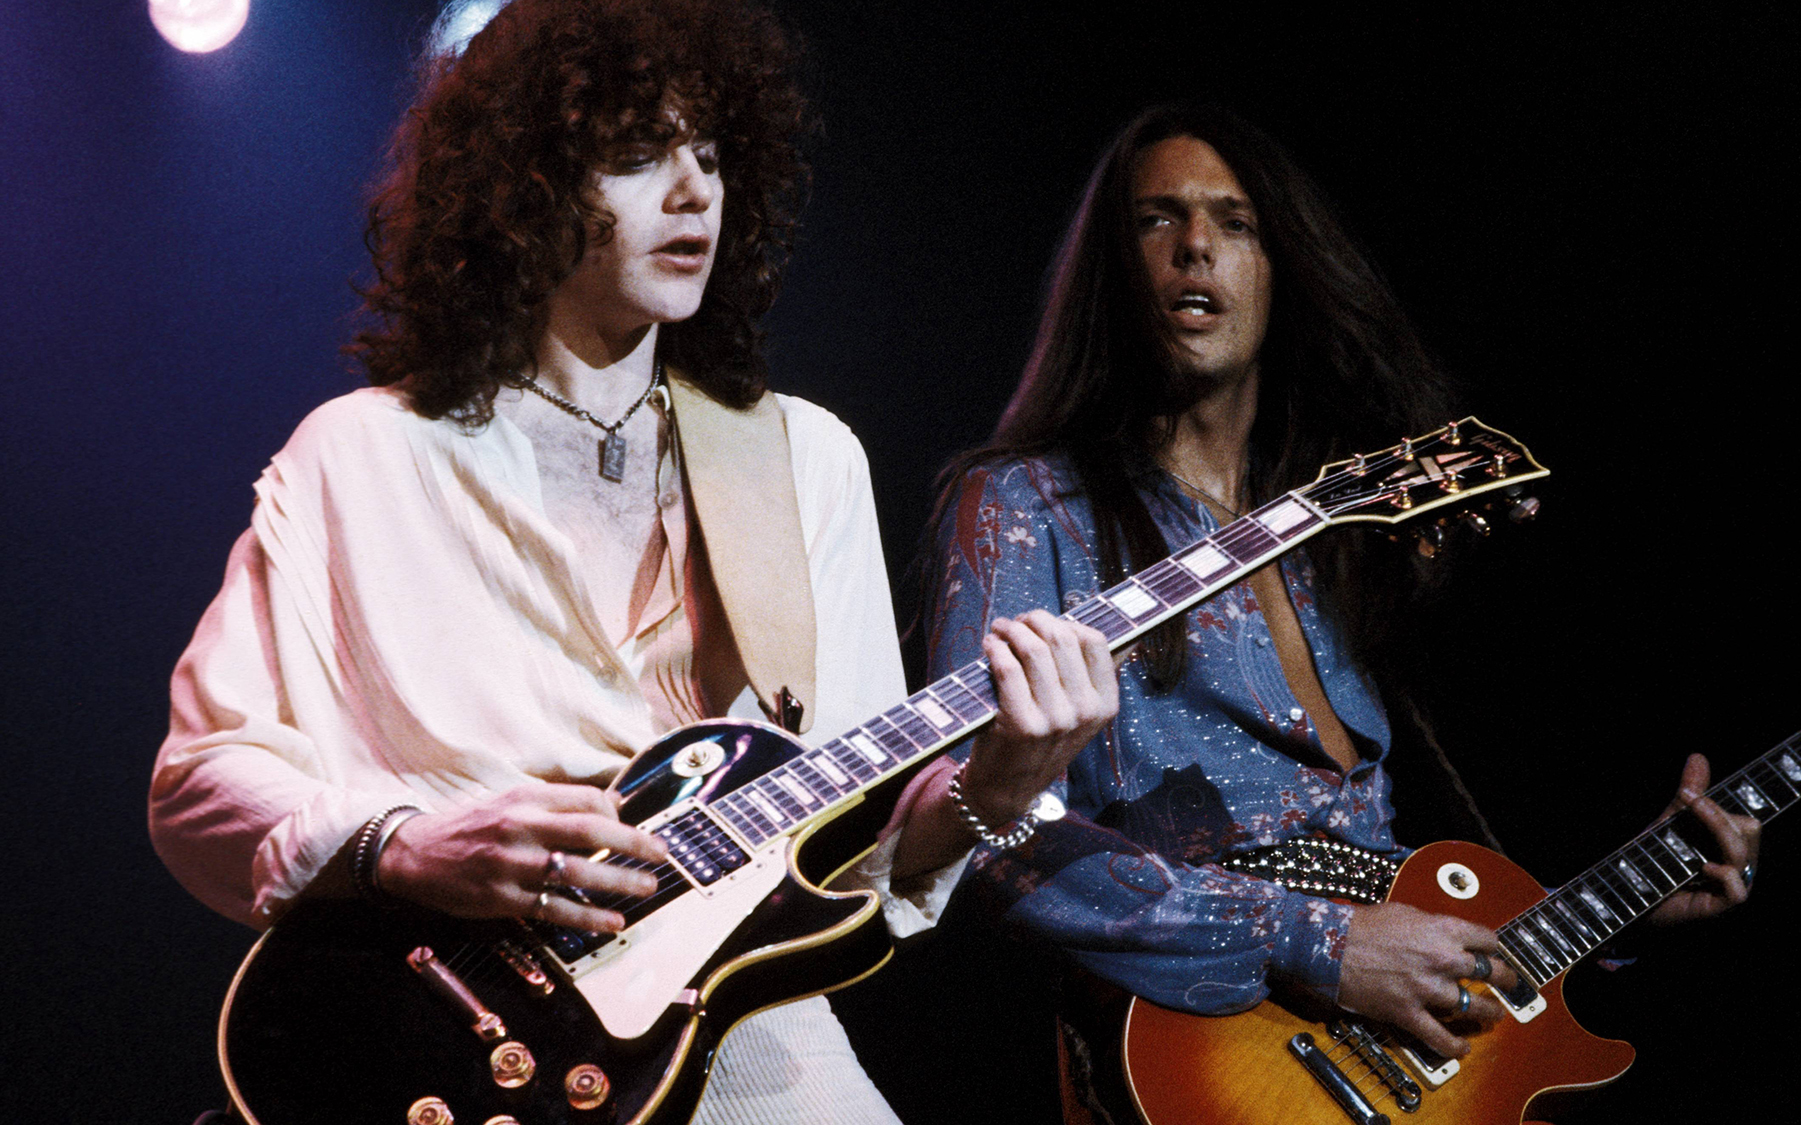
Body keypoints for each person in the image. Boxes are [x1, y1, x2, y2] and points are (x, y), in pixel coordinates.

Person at [148, 3, 1114, 1123]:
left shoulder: (802, 460)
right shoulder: (361, 456)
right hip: (436, 1038)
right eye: (638, 154)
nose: (694, 190)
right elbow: (199, 785)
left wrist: (996, 785)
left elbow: (851, 854)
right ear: (524, 184)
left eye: (709, 154)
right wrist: (407, 846)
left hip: (744, 1036)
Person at [925, 103, 1762, 1112]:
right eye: (1158, 219)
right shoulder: (1022, 507)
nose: (1197, 246)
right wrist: (1318, 942)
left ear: (1281, 270)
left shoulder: (1341, 527)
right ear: (1110, 267)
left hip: (1388, 1067)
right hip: (1201, 1062)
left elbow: (1406, 893)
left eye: (1235, 224)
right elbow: (978, 835)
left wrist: (1618, 913)